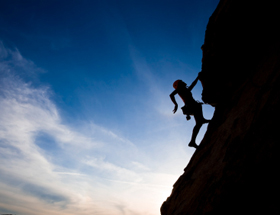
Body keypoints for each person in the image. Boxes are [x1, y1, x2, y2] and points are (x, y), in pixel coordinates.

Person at [170, 74, 210, 148]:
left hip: (192, 105)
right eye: (181, 82)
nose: (183, 82)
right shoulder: (180, 89)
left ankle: (193, 141)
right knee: (198, 122)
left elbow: (193, 84)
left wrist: (197, 78)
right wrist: (176, 105)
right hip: (191, 106)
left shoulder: (185, 90)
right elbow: (171, 95)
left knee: (199, 122)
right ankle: (192, 141)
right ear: (179, 85)